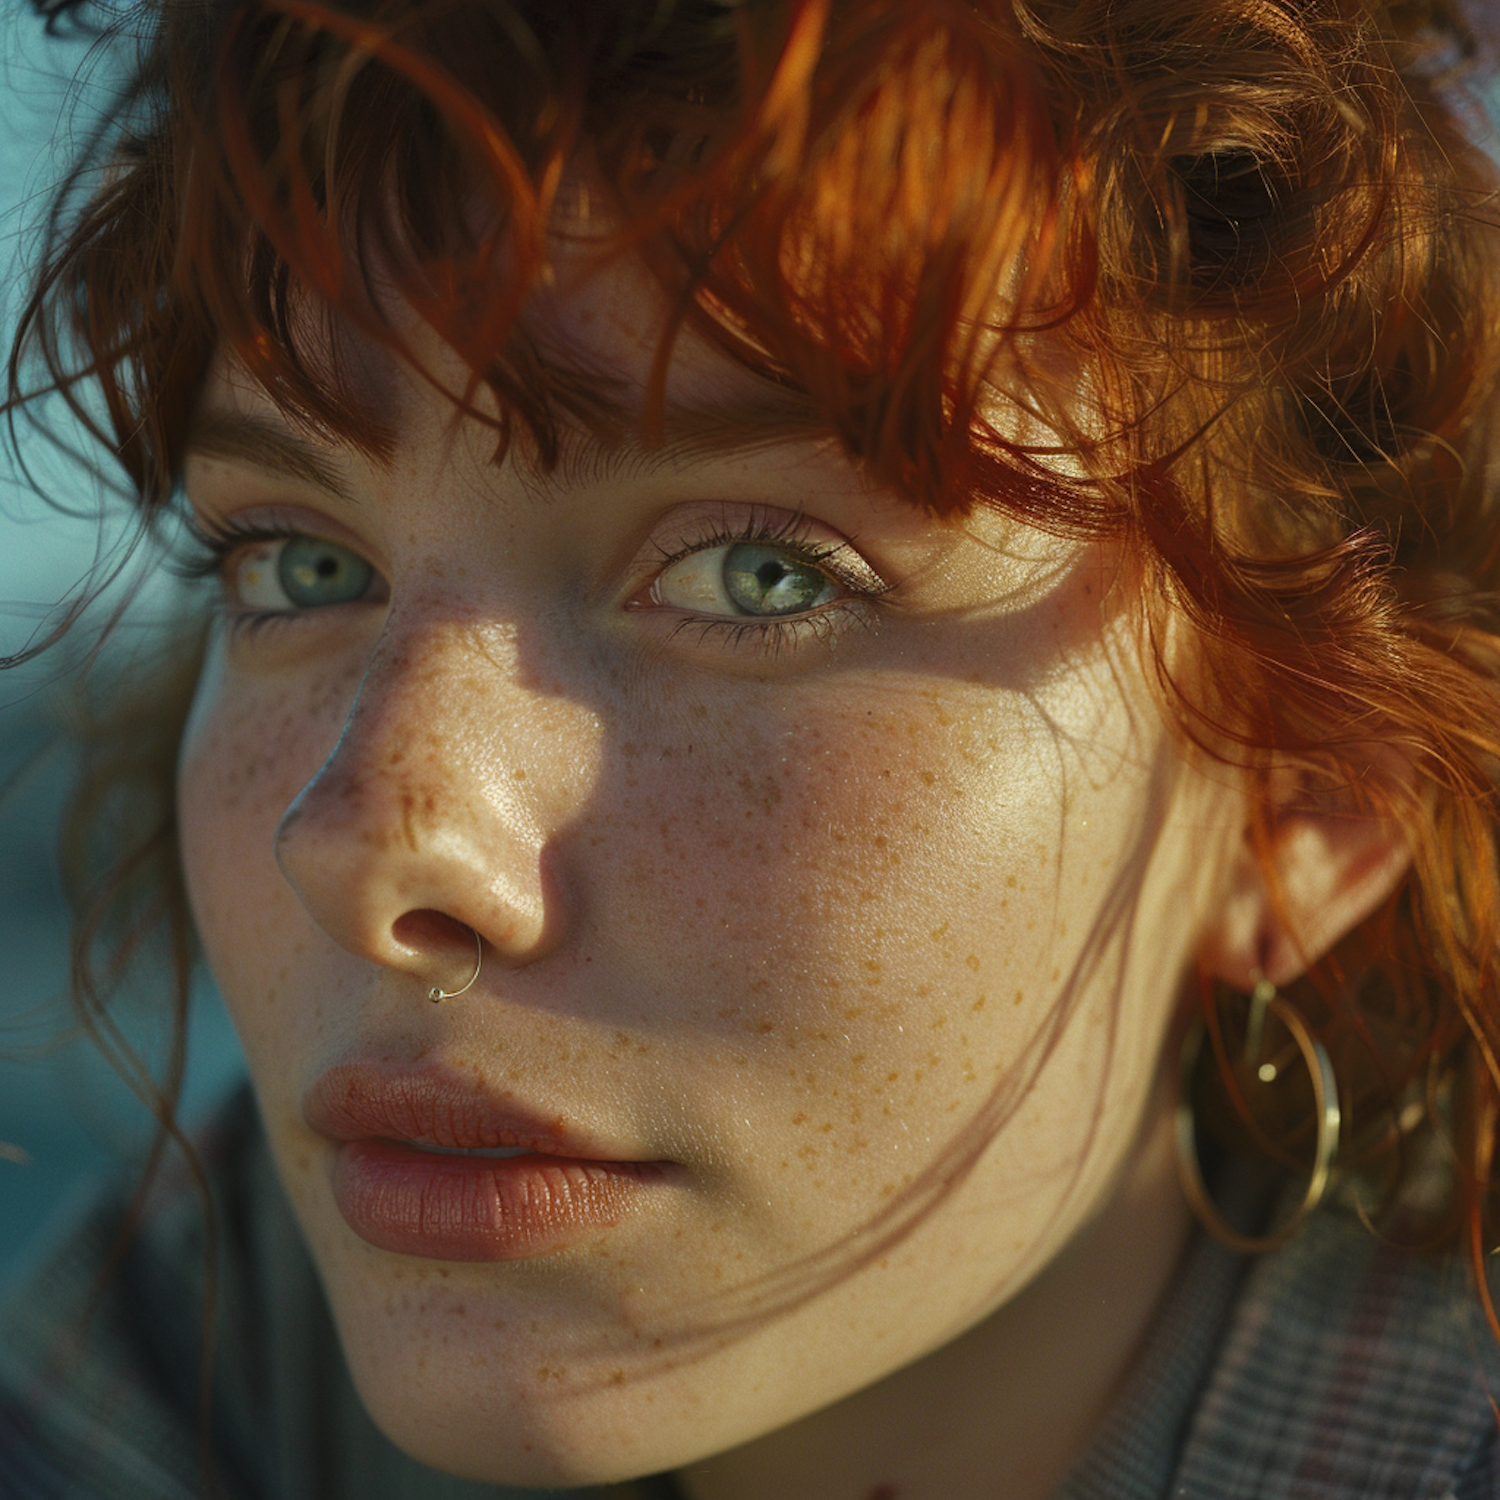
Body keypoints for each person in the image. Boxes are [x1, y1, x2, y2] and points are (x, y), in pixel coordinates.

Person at [3, 0, 1500, 1495]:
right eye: (299, 564)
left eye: (760, 574)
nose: (370, 842)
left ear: (1305, 798)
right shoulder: (169, 1369)